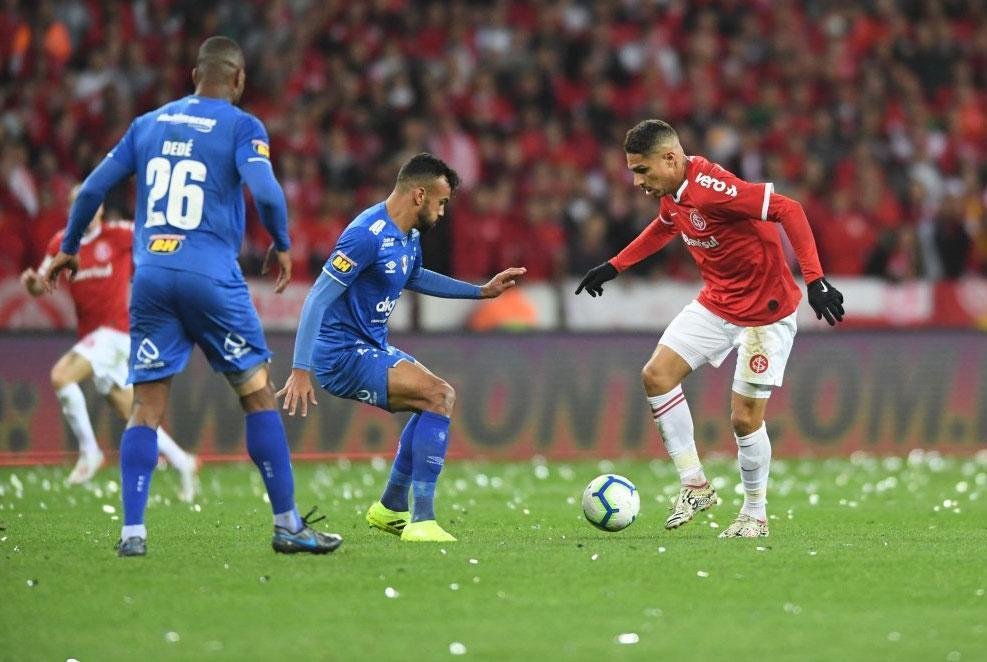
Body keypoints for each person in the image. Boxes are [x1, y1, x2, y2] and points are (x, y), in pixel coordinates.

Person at [44, 36, 342, 557]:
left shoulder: (147, 125)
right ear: (239, 79)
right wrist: (283, 243)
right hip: (209, 276)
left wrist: (69, 247)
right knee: (255, 394)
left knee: (146, 407)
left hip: (152, 276)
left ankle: (133, 533)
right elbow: (267, 192)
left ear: (193, 75)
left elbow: (92, 189)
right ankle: (288, 524)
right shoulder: (242, 126)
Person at [575, 120, 845, 538]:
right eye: (632, 171)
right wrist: (614, 266)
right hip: (717, 302)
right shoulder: (674, 193)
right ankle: (695, 485)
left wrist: (815, 279)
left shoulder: (712, 189)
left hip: (765, 313)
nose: (636, 181)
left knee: (743, 420)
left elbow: (788, 209)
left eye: (642, 170)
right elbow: (665, 225)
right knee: (656, 375)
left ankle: (754, 515)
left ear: (670, 158)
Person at [278, 153, 525, 542]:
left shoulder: (409, 236)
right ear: (419, 194)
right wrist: (300, 368)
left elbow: (414, 276)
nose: (443, 212)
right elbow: (317, 299)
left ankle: (391, 508)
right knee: (439, 394)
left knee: (433, 400)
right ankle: (422, 520)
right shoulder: (366, 234)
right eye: (441, 202)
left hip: (371, 345)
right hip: (340, 354)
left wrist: (480, 292)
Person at [21, 186, 197, 500]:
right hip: (91, 338)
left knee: (61, 376)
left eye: (91, 205)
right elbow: (41, 284)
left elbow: (158, 237)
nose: (86, 211)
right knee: (134, 412)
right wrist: (33, 283)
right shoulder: (61, 243)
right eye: (79, 206)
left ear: (100, 208)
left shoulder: (119, 234)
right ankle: (183, 461)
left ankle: (90, 452)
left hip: (116, 334)